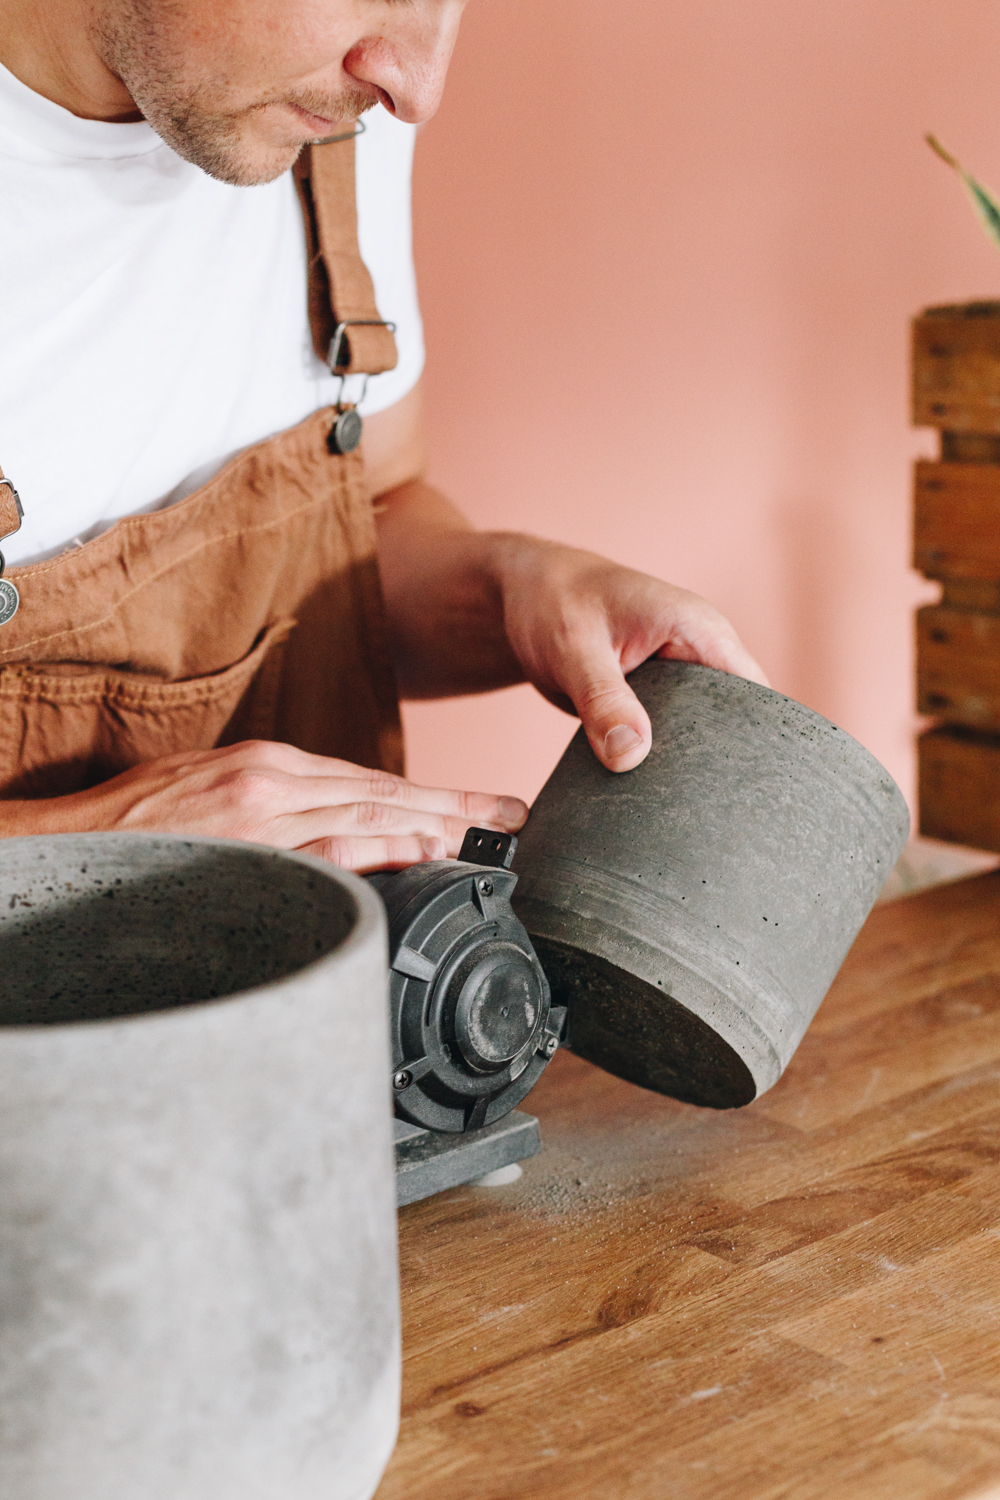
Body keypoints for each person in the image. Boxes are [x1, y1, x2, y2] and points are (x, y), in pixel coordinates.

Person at [0, 0, 765, 873]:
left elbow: (377, 509)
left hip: (319, 999)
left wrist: (513, 586)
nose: (417, 90)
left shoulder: (326, 122)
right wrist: (97, 850)